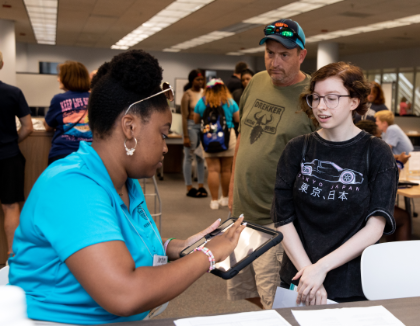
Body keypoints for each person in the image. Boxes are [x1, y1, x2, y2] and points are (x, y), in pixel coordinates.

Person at [9, 50, 246, 325]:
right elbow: (125, 293)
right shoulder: (72, 187)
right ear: (130, 127)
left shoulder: (125, 181)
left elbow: (118, 244)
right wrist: (208, 254)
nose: (166, 147)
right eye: (162, 133)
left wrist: (176, 247)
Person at [272, 62, 398, 305]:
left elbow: (375, 227)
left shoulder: (376, 152)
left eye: (332, 98)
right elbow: (283, 218)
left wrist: (321, 268)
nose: (321, 107)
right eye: (316, 98)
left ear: (354, 101)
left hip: (352, 282)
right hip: (299, 276)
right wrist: (309, 273)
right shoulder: (298, 148)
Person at [228, 18, 314, 309]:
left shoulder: (313, 97)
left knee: (275, 298)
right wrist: (231, 192)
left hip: (276, 219)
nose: (274, 62)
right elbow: (242, 139)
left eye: (284, 55)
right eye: (270, 53)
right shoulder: (256, 81)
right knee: (242, 286)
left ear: (301, 55)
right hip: (242, 213)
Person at [0, 51, 33, 256]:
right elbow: (28, 127)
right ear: (2, 64)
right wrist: (12, 141)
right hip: (8, 156)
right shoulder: (13, 92)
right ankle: (13, 257)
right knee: (10, 207)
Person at [356, 120, 411, 242]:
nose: (382, 142)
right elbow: (388, 180)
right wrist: (400, 163)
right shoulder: (375, 154)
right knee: (403, 217)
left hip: (354, 207)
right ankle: (398, 256)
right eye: (379, 138)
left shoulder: (354, 152)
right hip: (367, 210)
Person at [194, 79, 239, 210]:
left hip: (208, 138)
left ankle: (214, 201)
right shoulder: (230, 102)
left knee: (212, 170)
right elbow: (237, 118)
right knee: (226, 170)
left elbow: (196, 120)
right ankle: (225, 198)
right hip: (227, 137)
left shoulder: (202, 102)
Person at [43, 61, 92, 165]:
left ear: (67, 78)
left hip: (63, 153)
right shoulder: (95, 98)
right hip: (90, 154)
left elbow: (48, 127)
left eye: (60, 76)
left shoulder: (58, 99)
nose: (58, 79)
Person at [181, 69, 207, 197]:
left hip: (203, 127)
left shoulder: (205, 93)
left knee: (201, 157)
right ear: (192, 81)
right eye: (198, 79)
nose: (201, 81)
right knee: (189, 157)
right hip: (191, 127)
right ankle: (189, 187)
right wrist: (185, 136)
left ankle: (201, 186)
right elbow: (184, 117)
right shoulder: (187, 94)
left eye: (202, 79)